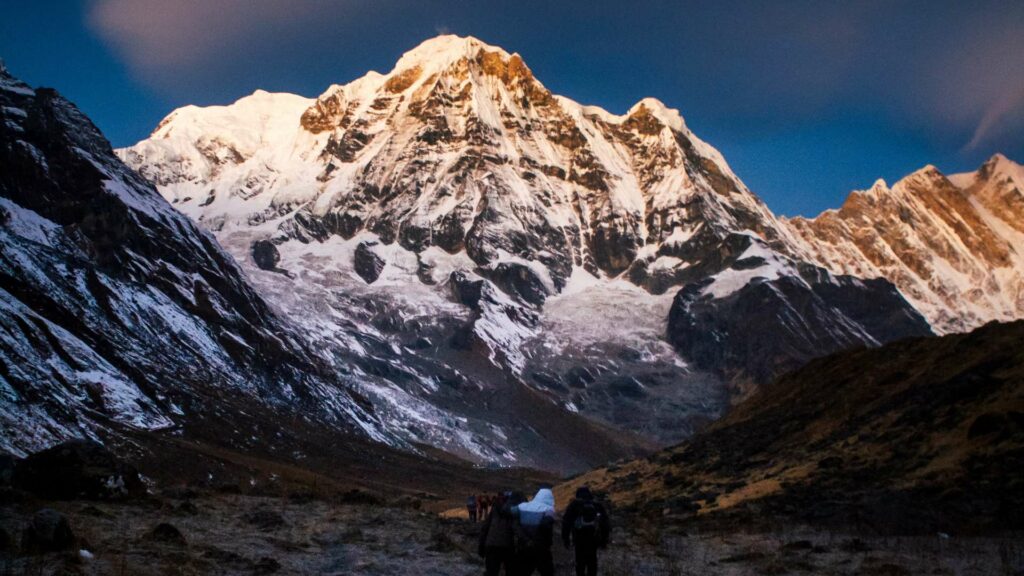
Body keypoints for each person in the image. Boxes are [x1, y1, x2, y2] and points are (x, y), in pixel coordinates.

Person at [562, 486, 611, 576]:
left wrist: (566, 540)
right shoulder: (597, 505)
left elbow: (566, 523)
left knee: (580, 561)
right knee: (592, 561)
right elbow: (605, 524)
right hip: (593, 538)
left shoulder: (574, 505)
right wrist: (604, 541)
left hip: (578, 538)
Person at [478, 491, 523, 575]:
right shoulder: (513, 512)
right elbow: (516, 529)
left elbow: (485, 528)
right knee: (511, 572)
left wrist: (481, 545)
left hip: (491, 546)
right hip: (507, 546)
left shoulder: (494, 509)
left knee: (491, 572)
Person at [514, 487, 556, 576]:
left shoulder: (523, 506)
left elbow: (513, 520)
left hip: (524, 547)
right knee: (547, 572)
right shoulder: (549, 510)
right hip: (541, 548)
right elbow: (547, 527)